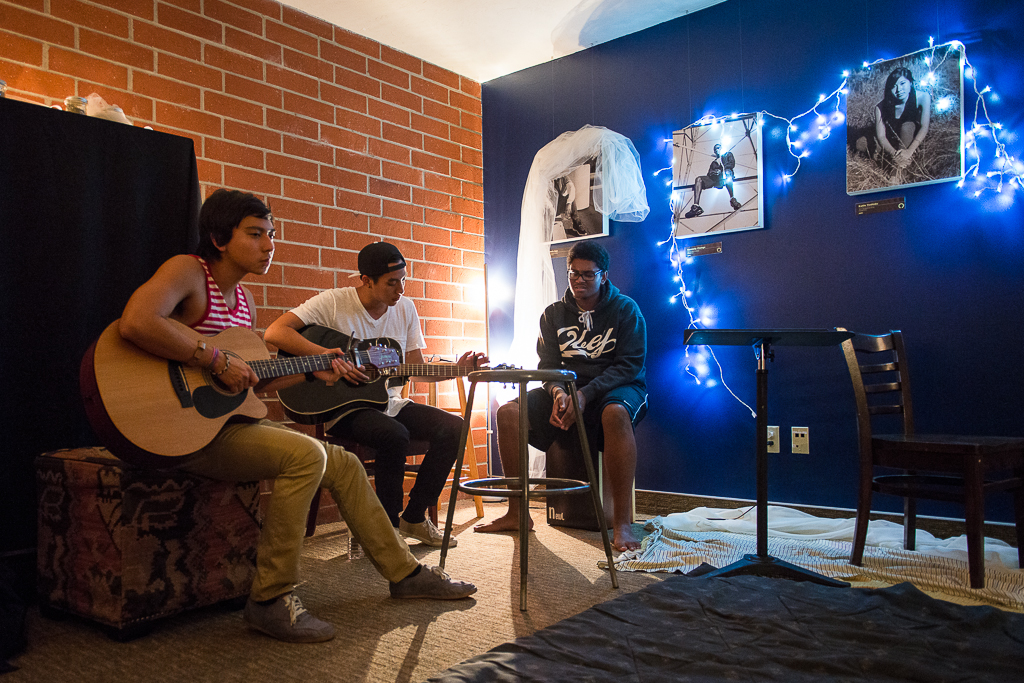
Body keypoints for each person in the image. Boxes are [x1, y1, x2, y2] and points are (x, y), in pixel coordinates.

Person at [117, 190, 476, 644]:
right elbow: (136, 321)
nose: (269, 245)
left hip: (224, 424)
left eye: (272, 234)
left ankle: (404, 573)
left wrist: (311, 369)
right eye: (256, 234)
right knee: (307, 454)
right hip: (179, 427)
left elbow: (252, 383)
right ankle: (270, 598)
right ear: (219, 238)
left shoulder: (242, 299)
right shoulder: (188, 271)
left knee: (343, 464)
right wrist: (213, 358)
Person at [265, 242, 487, 549]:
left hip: (389, 402)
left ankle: (414, 516)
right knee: (393, 435)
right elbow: (275, 332)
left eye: (403, 280)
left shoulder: (405, 309)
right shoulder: (333, 302)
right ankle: (386, 528)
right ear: (366, 280)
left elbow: (416, 368)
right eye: (392, 283)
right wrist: (329, 357)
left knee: (455, 427)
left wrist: (458, 370)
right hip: (344, 407)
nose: (400, 290)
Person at [474, 241, 648, 551]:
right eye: (573, 274)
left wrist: (584, 394)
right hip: (568, 388)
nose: (579, 280)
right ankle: (518, 512)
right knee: (508, 413)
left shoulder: (625, 310)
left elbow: (628, 367)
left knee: (615, 413)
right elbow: (549, 367)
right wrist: (558, 393)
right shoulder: (553, 314)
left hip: (617, 388)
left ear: (604, 276)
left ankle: (623, 523)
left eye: (587, 275)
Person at [849, 67, 932, 174]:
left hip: (911, 136)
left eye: (902, 83)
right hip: (890, 139)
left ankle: (897, 173)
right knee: (861, 144)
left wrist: (909, 152)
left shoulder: (923, 97)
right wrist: (895, 154)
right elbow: (881, 136)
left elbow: (924, 126)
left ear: (910, 82)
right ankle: (883, 159)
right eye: (894, 86)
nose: (899, 90)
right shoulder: (880, 107)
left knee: (907, 126)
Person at [684, 143, 742, 218]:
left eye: (718, 148)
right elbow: (709, 173)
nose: (717, 150)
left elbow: (731, 164)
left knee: (728, 172)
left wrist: (721, 170)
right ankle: (696, 207)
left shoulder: (728, 155)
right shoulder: (713, 163)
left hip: (725, 176)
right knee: (698, 179)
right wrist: (714, 173)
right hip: (715, 180)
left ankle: (733, 199)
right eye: (715, 149)